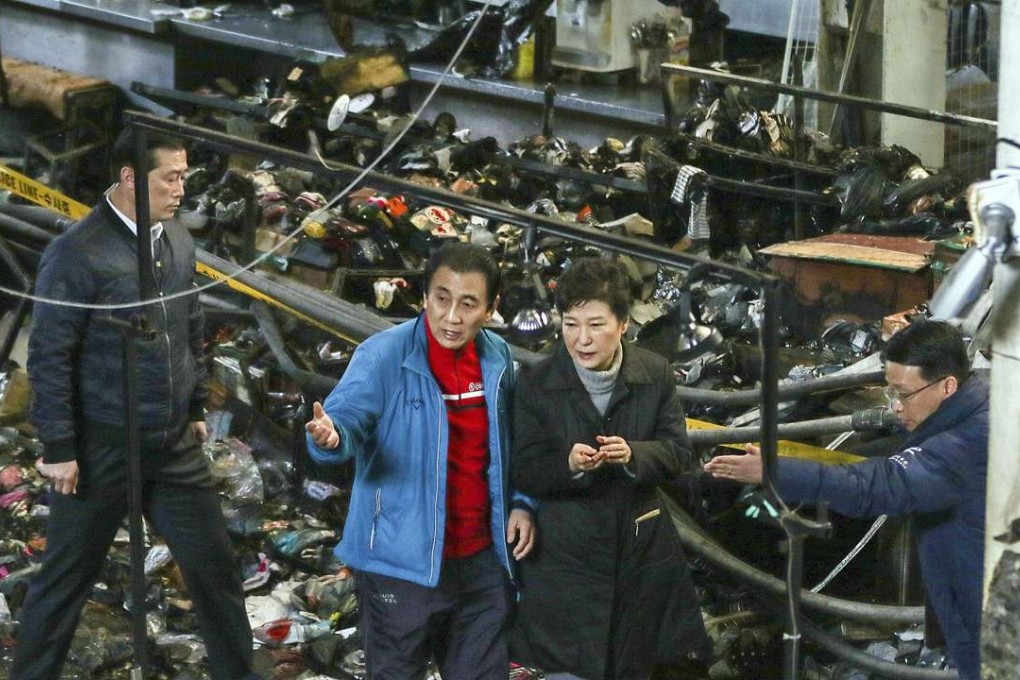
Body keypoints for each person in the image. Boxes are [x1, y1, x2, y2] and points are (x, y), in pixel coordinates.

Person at [14, 129, 258, 680]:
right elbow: (50, 355)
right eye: (170, 177)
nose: (181, 190)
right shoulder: (77, 254)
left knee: (215, 568)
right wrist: (59, 446)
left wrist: (194, 406)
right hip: (101, 447)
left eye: (184, 177)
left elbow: (190, 323)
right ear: (130, 178)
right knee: (65, 581)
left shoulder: (176, 239)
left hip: (170, 444)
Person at [704, 320, 988, 680]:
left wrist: (774, 472)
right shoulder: (977, 403)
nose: (895, 407)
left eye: (904, 394)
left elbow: (875, 486)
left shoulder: (966, 444)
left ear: (947, 385)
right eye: (890, 392)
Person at [305, 241, 536, 680]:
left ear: (491, 308)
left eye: (468, 304)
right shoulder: (383, 356)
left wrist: (523, 502)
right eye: (442, 299)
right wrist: (331, 438)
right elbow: (344, 422)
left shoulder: (498, 359)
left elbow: (514, 445)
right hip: (399, 564)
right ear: (424, 297)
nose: (452, 317)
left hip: (481, 561)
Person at [509, 257, 711, 680]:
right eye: (570, 324)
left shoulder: (654, 373)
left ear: (623, 325)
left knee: (637, 660)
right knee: (569, 665)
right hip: (566, 554)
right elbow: (524, 468)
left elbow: (679, 454)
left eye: (596, 325)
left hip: (639, 550)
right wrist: (567, 464)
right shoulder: (535, 383)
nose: (581, 339)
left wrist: (634, 454)